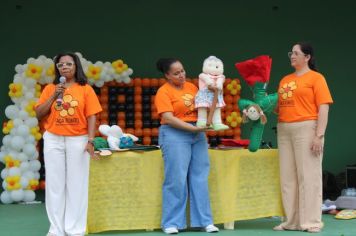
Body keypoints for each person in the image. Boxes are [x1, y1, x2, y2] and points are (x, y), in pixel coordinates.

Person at [35, 52, 102, 236]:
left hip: (78, 139)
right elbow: (39, 113)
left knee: (77, 185)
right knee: (55, 185)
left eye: (68, 64)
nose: (64, 67)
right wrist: (53, 95)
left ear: (76, 66)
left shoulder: (86, 89)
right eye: (60, 65)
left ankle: (75, 230)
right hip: (53, 138)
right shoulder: (50, 88)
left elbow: (92, 116)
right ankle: (56, 230)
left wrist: (90, 140)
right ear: (57, 69)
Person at [154, 58, 219, 234]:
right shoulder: (163, 92)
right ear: (167, 75)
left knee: (200, 177)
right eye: (176, 73)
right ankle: (171, 223)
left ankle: (205, 221)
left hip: (197, 133)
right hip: (175, 133)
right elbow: (168, 117)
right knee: (176, 179)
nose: (181, 75)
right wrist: (192, 128)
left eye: (182, 71)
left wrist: (214, 94)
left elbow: (207, 108)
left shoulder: (192, 87)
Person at [274, 42, 333, 233]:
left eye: (296, 53)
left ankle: (311, 222)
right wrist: (259, 109)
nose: (292, 55)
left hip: (307, 128)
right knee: (288, 178)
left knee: (308, 177)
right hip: (284, 129)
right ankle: (291, 221)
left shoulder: (316, 78)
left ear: (307, 57)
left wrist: (319, 135)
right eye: (291, 52)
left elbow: (323, 107)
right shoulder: (284, 80)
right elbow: (278, 108)